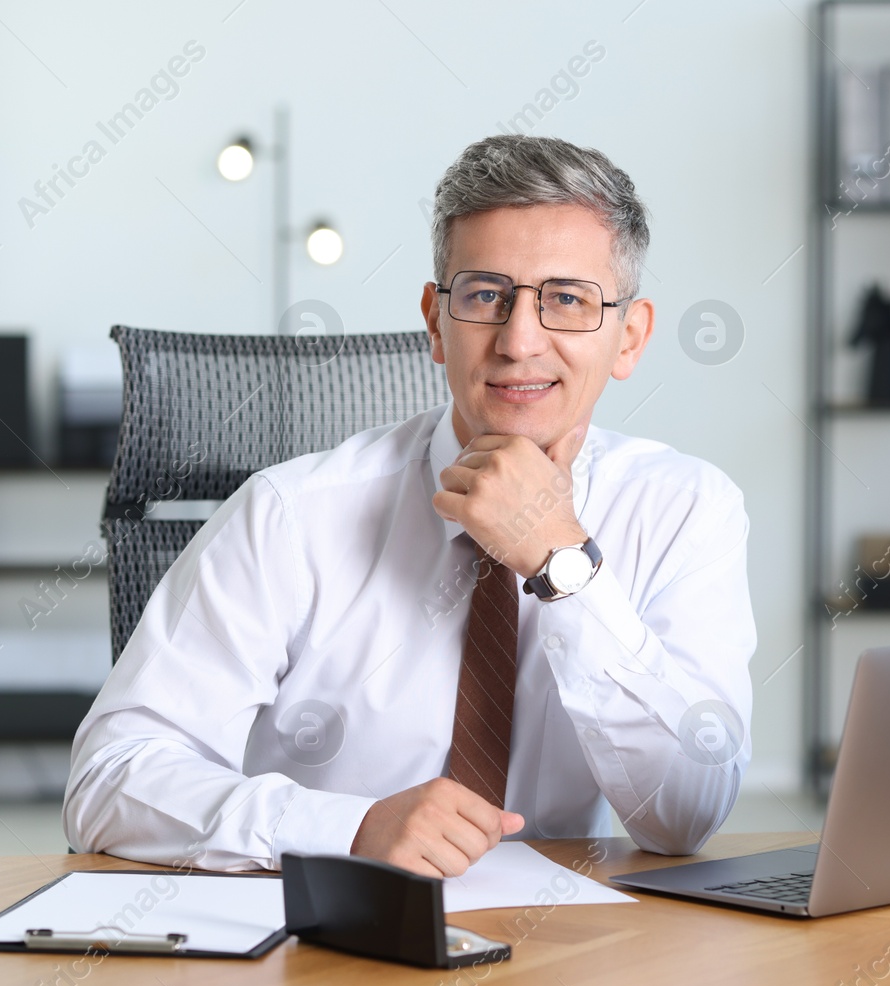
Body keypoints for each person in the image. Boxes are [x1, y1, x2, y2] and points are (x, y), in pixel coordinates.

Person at [64, 134, 756, 878]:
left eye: (566, 300)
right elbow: (109, 780)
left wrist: (562, 565)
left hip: (562, 960)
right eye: (486, 295)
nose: (520, 340)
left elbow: (687, 811)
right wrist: (348, 827)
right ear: (435, 321)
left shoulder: (687, 508)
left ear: (630, 337)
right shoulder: (288, 516)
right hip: (324, 952)